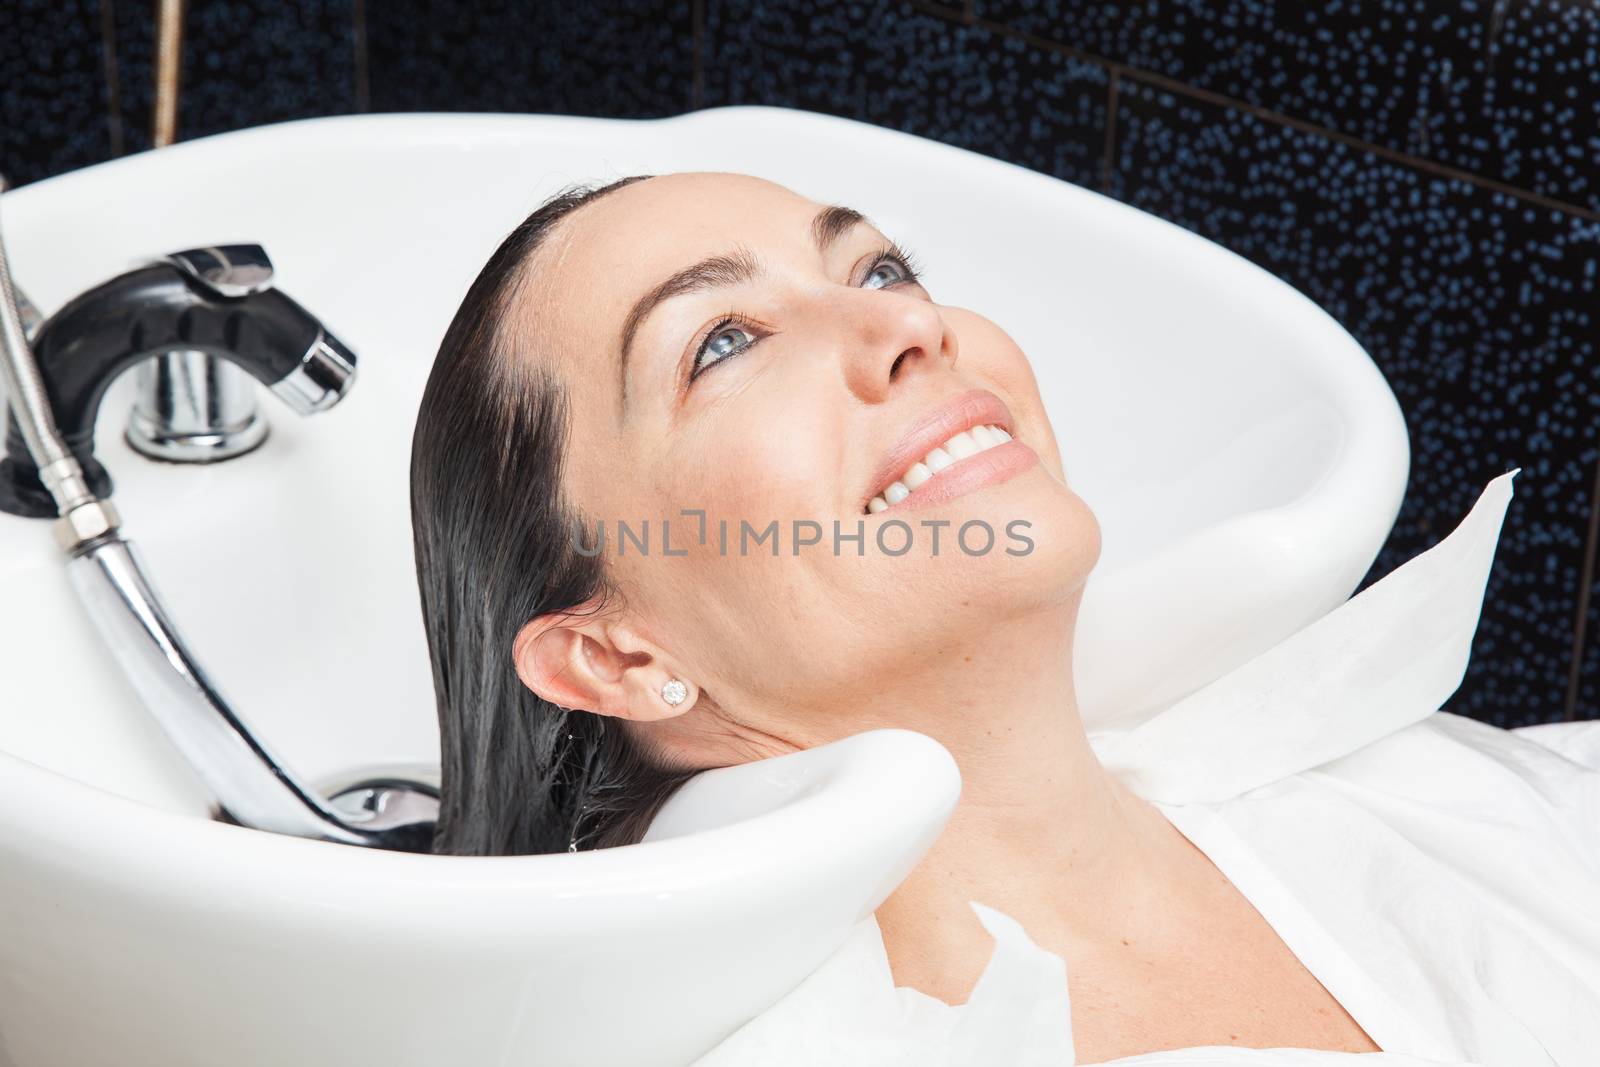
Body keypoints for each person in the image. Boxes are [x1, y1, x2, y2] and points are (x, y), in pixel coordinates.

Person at [408, 172, 1600, 1064]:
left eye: (878, 270)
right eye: (723, 343)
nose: (909, 325)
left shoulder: (1412, 786)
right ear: (617, 652)